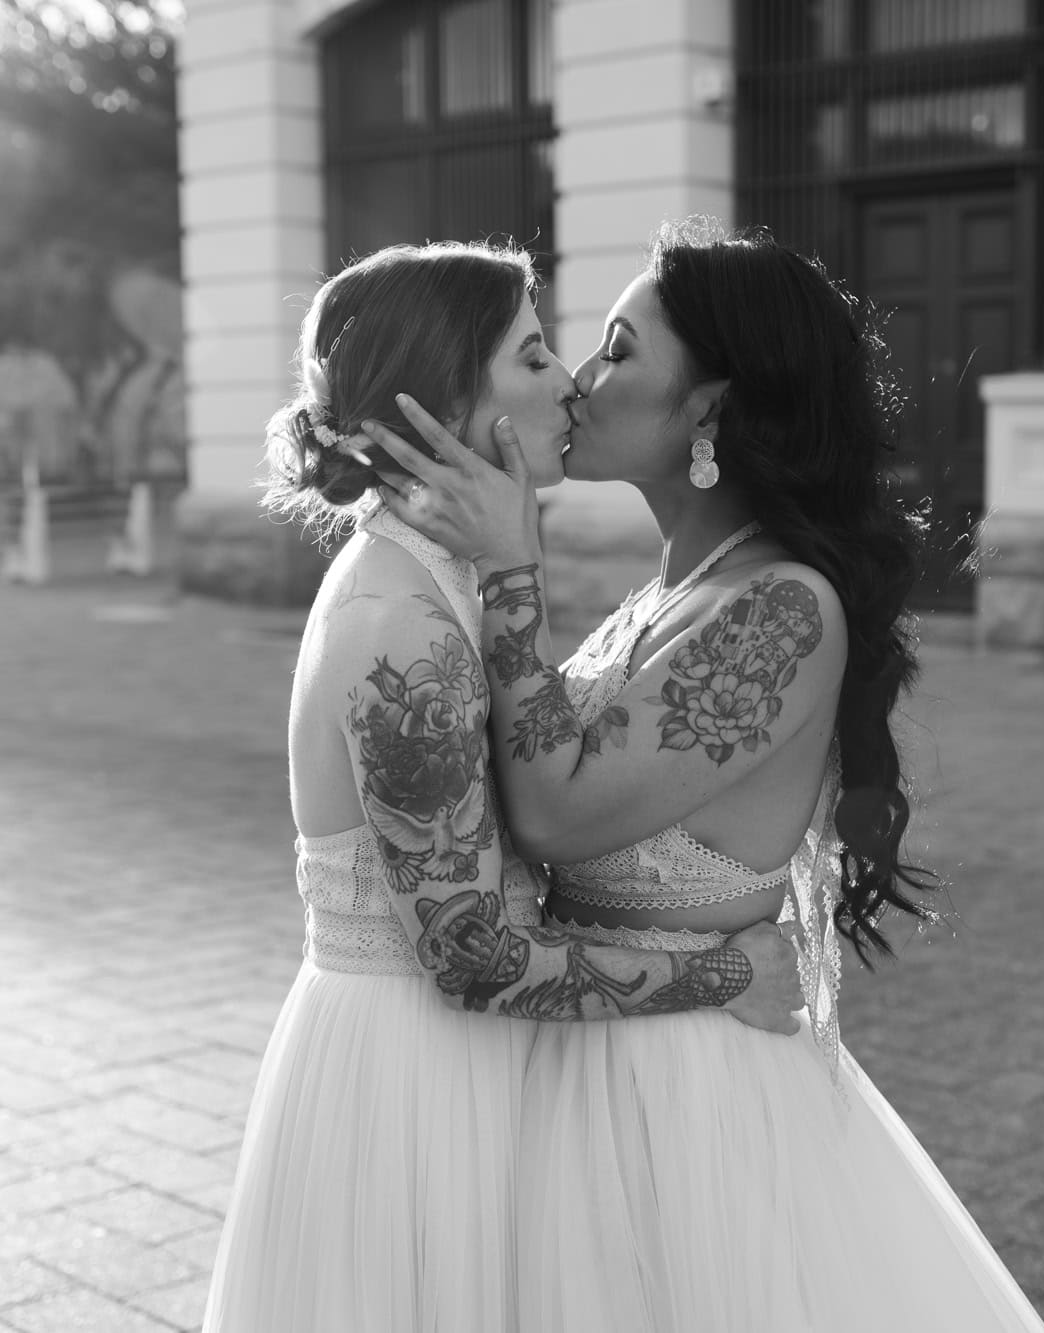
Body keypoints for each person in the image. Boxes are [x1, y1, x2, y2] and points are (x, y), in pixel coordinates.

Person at [366, 219, 1044, 1332]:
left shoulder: (781, 608)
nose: (581, 380)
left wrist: (506, 572)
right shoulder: (670, 593)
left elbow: (551, 809)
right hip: (586, 1054)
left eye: (621, 351)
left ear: (710, 408)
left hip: (678, 1099)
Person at [201, 240, 801, 1333]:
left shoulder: (438, 586)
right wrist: (725, 972)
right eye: (531, 356)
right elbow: (471, 955)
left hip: (455, 1066)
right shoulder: (402, 630)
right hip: (410, 1087)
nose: (568, 379)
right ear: (444, 407)